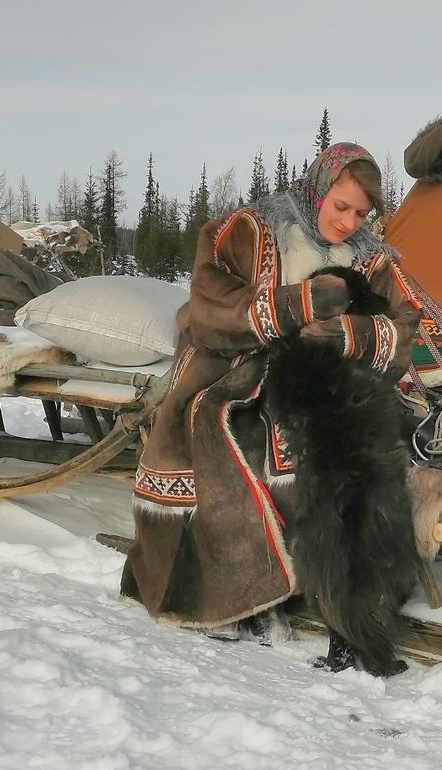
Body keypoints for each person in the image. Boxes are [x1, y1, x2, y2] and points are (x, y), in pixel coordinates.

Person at [121, 143, 424, 670]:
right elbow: (210, 309)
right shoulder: (250, 231)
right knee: (233, 434)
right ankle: (236, 592)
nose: (349, 223)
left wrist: (348, 334)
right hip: (232, 368)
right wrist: (293, 307)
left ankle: (347, 594)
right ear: (317, 190)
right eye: (340, 207)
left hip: (324, 379)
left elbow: (400, 336)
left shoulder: (374, 260)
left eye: (361, 213)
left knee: (359, 454)